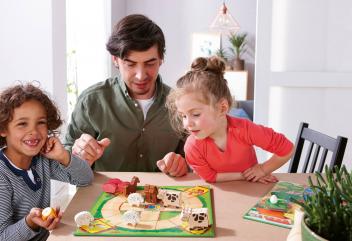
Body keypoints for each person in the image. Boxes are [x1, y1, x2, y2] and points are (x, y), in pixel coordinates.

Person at [63, 14, 187, 177]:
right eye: (130, 64)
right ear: (115, 60)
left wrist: (183, 165)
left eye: (150, 63)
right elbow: (66, 166)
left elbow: (194, 159)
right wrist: (78, 156)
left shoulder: (181, 104)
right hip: (105, 198)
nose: (141, 75)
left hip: (162, 199)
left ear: (161, 59)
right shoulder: (91, 101)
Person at [166, 56, 294, 183]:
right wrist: (245, 176)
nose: (187, 124)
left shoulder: (245, 129)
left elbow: (287, 148)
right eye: (183, 116)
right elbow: (210, 177)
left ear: (222, 108)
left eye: (196, 114)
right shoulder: (192, 146)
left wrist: (263, 169)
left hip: (251, 190)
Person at [0, 83, 93, 241]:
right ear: (3, 129)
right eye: (22, 124)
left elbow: (86, 179)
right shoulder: (2, 177)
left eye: (41, 122)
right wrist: (30, 223)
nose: (34, 132)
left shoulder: (42, 159)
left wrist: (63, 156)